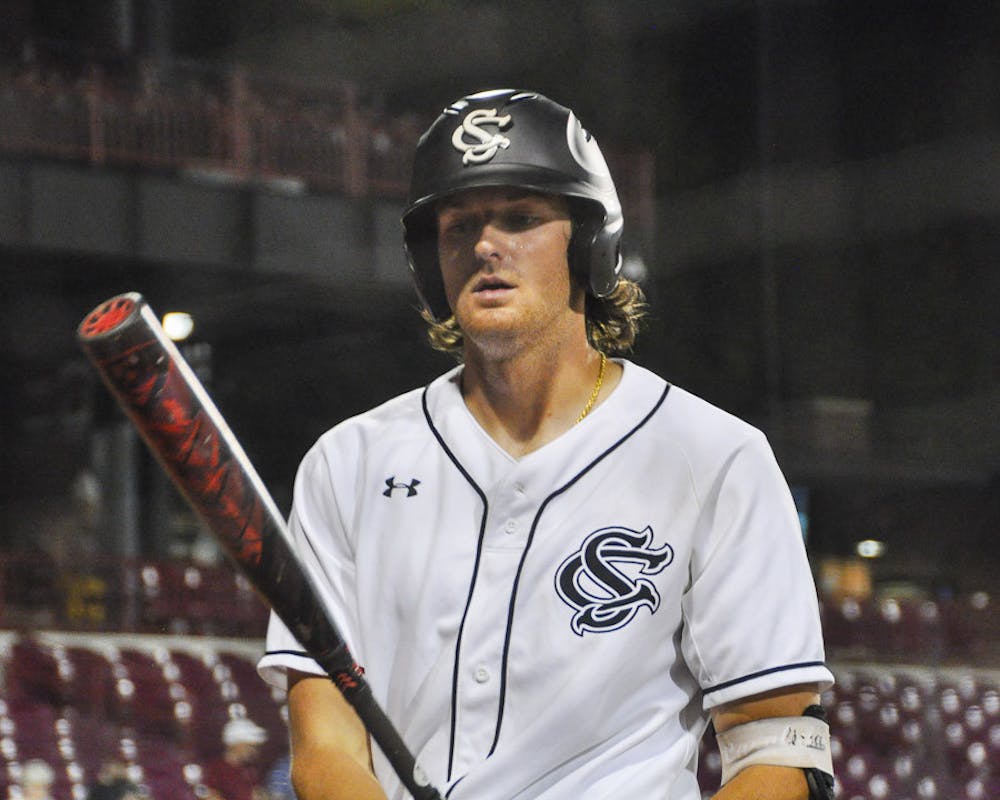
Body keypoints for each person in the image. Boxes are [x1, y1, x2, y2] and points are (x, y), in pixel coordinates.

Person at [257, 88, 835, 800]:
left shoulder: (713, 458)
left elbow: (778, 749)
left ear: (591, 243)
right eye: (458, 225)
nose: (485, 245)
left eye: (522, 218)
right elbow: (325, 742)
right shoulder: (348, 465)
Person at [201, 717, 270, 800]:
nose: (254, 750)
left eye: (255, 747)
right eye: (250, 746)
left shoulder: (249, 770)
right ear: (235, 744)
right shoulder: (215, 770)